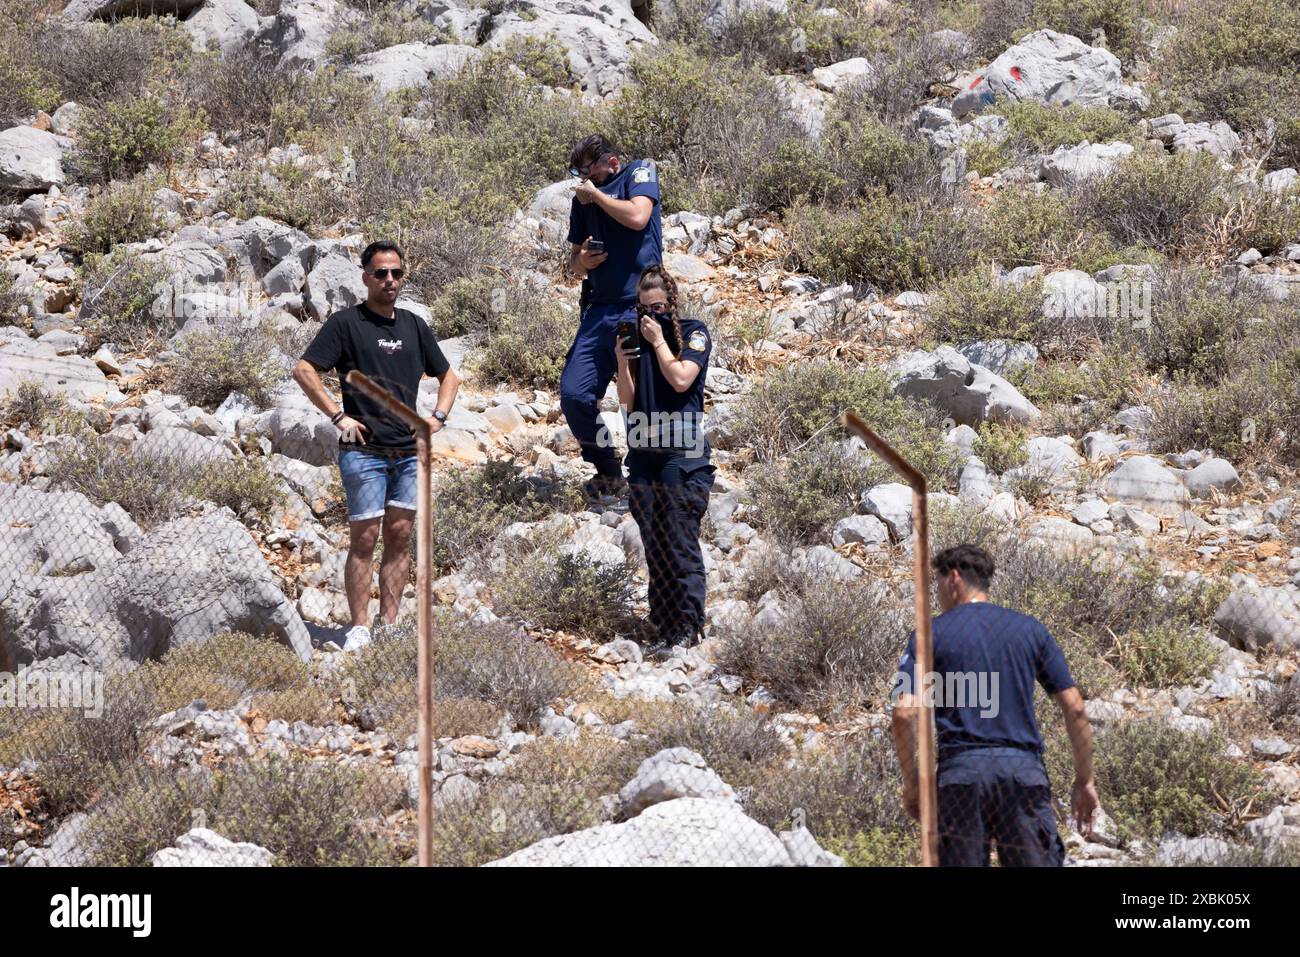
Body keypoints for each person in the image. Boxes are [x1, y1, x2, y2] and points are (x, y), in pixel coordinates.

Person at [293, 240, 461, 652]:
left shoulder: (414, 326)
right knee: (365, 539)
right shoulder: (346, 324)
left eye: (396, 273)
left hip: (408, 454)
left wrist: (436, 418)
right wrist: (337, 415)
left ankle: (388, 624)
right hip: (364, 452)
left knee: (400, 537)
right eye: (381, 273)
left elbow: (449, 377)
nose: (390, 280)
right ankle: (359, 627)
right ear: (365, 277)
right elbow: (304, 369)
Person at [890, 544, 1099, 866]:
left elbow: (904, 713)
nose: (938, 596)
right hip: (1023, 773)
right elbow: (1075, 708)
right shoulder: (1031, 630)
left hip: (961, 776)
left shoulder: (929, 635)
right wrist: (1084, 780)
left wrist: (913, 782)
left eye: (938, 584)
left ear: (954, 579)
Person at [614, 265, 714, 657]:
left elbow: (680, 380)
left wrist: (658, 342)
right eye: (643, 308)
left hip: (682, 452)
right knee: (654, 544)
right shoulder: (637, 336)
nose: (649, 315)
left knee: (679, 539)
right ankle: (665, 624)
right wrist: (623, 362)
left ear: (671, 304)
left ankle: (689, 624)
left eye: (657, 307)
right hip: (643, 451)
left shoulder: (693, 333)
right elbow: (626, 399)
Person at [562, 133, 663, 505]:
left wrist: (599, 197)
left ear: (613, 163)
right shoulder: (582, 201)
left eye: (589, 170)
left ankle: (646, 474)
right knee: (574, 394)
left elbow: (638, 217)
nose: (584, 179)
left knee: (636, 393)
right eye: (579, 172)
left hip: (636, 308)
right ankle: (606, 465)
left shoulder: (638, 173)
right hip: (598, 309)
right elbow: (573, 262)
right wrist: (582, 262)